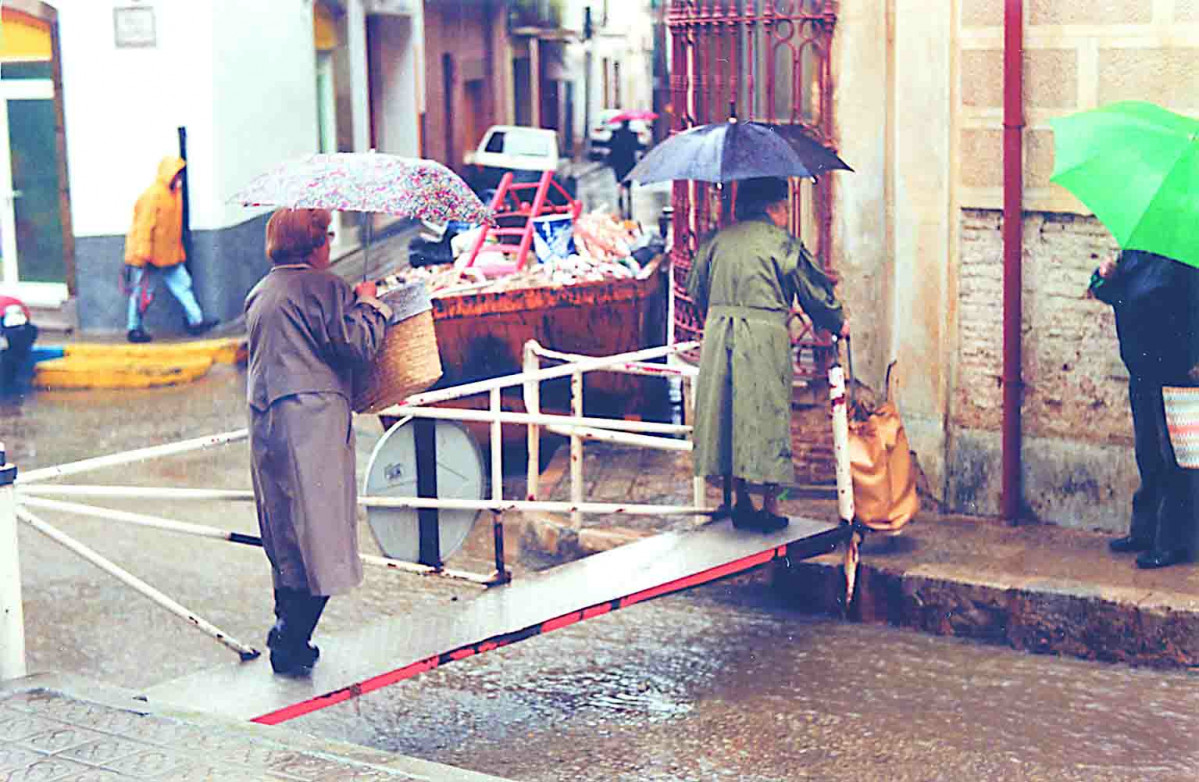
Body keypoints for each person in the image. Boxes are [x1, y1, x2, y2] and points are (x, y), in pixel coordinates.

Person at [245, 208, 392, 675]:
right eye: (326, 235)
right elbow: (355, 344)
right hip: (313, 427)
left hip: (267, 423)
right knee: (323, 534)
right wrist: (370, 304)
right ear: (313, 244)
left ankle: (286, 628)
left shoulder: (260, 292)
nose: (330, 244)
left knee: (286, 532)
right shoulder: (325, 287)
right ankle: (292, 640)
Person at [687, 176, 849, 532]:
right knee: (767, 415)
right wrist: (837, 322)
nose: (788, 215)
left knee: (727, 415)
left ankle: (740, 500)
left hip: (719, 336)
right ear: (773, 208)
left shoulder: (717, 241)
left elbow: (695, 289)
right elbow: (814, 293)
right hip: (763, 339)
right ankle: (772, 506)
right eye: (786, 208)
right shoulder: (783, 244)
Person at [1092, 249, 1199, 569]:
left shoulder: (1188, 259)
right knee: (1148, 455)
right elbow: (1106, 292)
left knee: (1177, 461)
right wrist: (1104, 274)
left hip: (1178, 373)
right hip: (1142, 371)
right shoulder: (1135, 255)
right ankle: (1144, 532)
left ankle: (1172, 544)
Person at [123, 155, 218, 343]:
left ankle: (196, 321)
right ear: (169, 174)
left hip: (168, 255)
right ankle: (134, 328)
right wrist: (143, 254)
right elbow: (144, 226)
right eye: (177, 174)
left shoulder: (174, 194)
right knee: (143, 293)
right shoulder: (153, 195)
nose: (179, 178)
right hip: (149, 255)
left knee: (183, 285)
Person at [607, 120, 644, 219]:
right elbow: (637, 146)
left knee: (619, 180)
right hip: (629, 161)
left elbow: (610, 145)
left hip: (618, 162)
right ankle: (628, 196)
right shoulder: (633, 134)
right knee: (628, 181)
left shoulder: (616, 133)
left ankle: (620, 196)